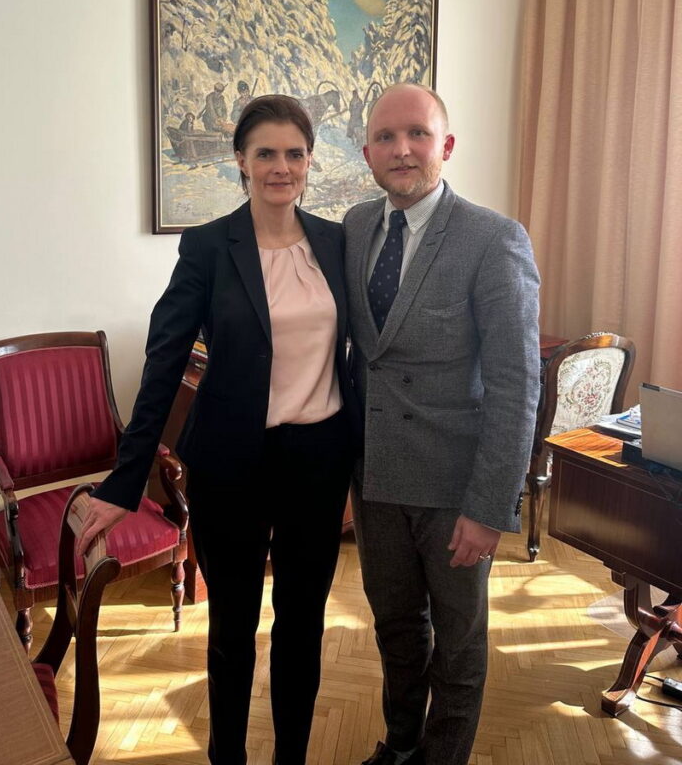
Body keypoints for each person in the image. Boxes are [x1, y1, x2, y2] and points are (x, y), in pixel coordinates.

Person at [77, 94, 360, 765]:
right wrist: (125, 481)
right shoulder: (208, 246)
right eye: (266, 153)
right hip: (233, 466)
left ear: (310, 161)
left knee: (303, 626)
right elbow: (163, 362)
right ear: (241, 161)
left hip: (318, 463)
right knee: (233, 629)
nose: (282, 167)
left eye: (295, 153)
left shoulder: (336, 242)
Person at [343, 83, 540, 765]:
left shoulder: (494, 239)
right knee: (397, 630)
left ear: (446, 146)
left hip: (455, 491)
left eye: (417, 134)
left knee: (457, 645)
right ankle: (400, 746)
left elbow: (517, 384)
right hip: (375, 481)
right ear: (367, 152)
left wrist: (489, 508)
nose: (402, 150)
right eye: (386, 137)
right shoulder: (355, 228)